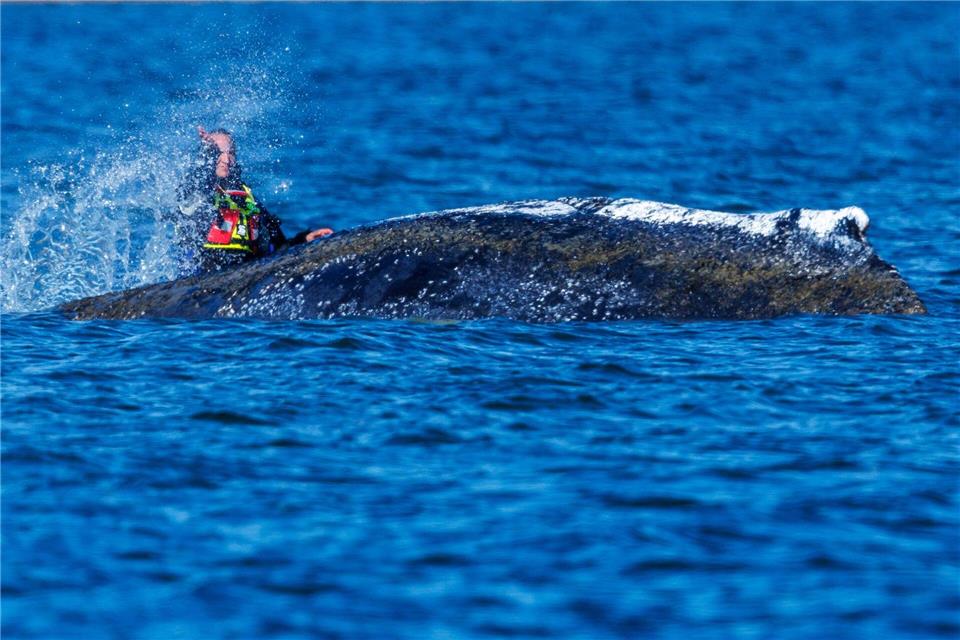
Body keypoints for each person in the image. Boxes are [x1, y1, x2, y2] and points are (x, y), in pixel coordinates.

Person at [175, 126, 332, 274]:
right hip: (203, 280)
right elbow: (188, 188)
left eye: (231, 153)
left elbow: (277, 248)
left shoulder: (248, 201)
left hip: (243, 277)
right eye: (216, 152)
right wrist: (205, 156)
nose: (226, 159)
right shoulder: (197, 193)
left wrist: (303, 240)